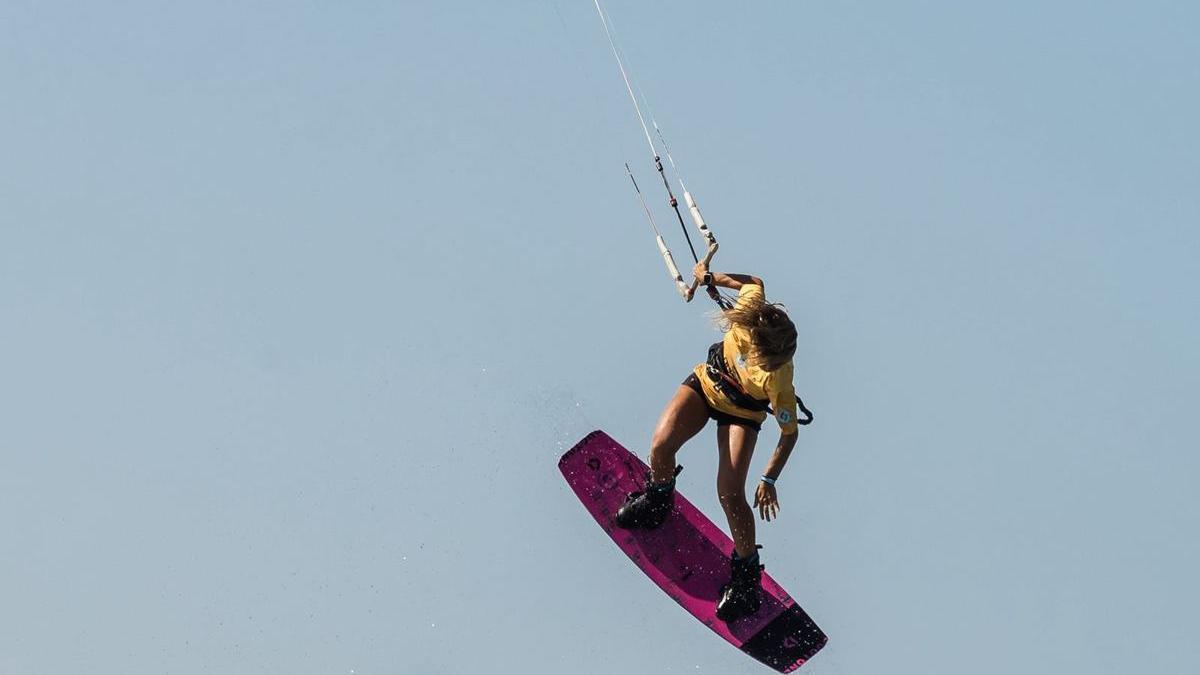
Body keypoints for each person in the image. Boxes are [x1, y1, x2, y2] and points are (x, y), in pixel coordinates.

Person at [615, 261, 810, 622]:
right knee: (660, 447)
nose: (771, 366)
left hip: (743, 413)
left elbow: (790, 433)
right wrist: (708, 277)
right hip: (708, 383)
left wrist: (768, 479)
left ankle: (748, 578)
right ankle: (659, 498)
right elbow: (753, 281)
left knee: (730, 494)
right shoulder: (751, 308)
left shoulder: (779, 381)